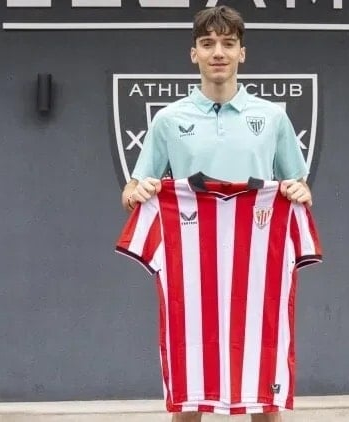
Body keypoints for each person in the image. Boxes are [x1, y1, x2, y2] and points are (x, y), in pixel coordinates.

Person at [119, 6, 312, 422]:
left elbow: (298, 186)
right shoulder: (168, 120)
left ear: (242, 52)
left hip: (256, 268)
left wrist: (300, 190)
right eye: (207, 44)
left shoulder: (272, 117)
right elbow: (132, 190)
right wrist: (139, 191)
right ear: (195, 54)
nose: (218, 52)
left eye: (228, 43)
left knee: (263, 398)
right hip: (193, 269)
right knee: (190, 398)